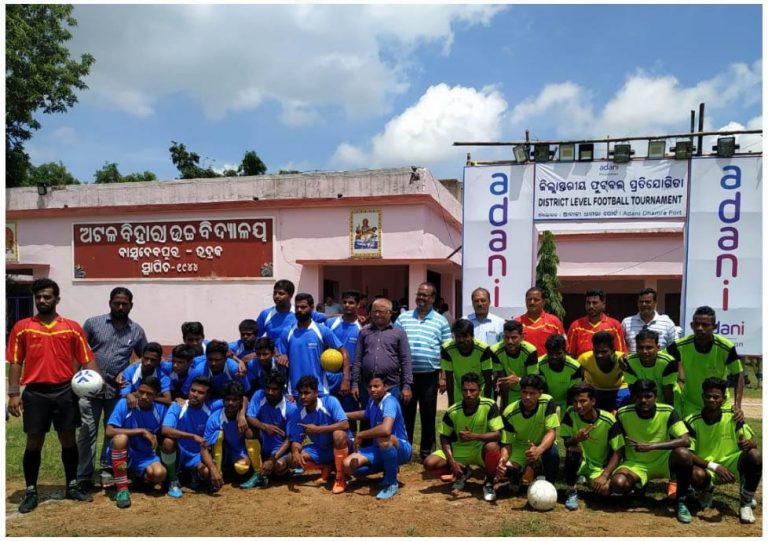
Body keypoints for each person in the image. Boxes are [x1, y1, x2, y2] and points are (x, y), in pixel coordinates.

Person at [7, 278, 99, 513]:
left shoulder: (71, 327)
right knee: (34, 441)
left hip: (65, 390)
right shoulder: (23, 327)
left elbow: (87, 357)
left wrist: (98, 383)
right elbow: (15, 361)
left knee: (68, 438)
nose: (42, 300)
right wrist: (14, 393)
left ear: (57, 299)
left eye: (47, 296)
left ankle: (72, 485)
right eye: (38, 297)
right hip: (36, 393)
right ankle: (30, 491)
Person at [77, 286, 147, 490]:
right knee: (87, 431)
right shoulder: (93, 323)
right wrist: (79, 378)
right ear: (110, 303)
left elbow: (146, 357)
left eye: (125, 303)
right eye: (116, 302)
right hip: (91, 389)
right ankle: (84, 476)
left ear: (131, 306)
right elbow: (79, 350)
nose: (120, 306)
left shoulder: (136, 330)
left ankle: (107, 470)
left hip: (118, 391)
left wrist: (127, 370)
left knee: (112, 431)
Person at [609, 379, 694, 524]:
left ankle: (682, 501)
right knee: (618, 483)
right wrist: (605, 474)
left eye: (648, 396)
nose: (643, 400)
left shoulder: (668, 411)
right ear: (633, 397)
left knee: (683, 454)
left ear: (655, 397)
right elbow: (618, 446)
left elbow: (685, 440)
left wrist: (652, 446)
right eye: (638, 396)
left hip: (664, 461)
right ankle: (639, 486)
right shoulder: (623, 413)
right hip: (636, 463)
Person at [685, 377, 760, 523]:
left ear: (724, 398)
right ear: (702, 397)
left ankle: (746, 502)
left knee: (755, 455)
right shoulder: (691, 421)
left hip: (732, 465)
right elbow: (688, 454)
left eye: (716, 397)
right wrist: (715, 467)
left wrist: (749, 444)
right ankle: (706, 490)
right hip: (707, 467)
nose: (711, 400)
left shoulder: (734, 417)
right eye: (708, 396)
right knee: (695, 473)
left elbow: (754, 444)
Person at [423, 372, 503, 502]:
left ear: (480, 390)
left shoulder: (489, 405)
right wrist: (452, 462)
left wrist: (474, 436)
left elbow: (498, 434)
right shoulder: (453, 410)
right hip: (459, 449)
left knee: (492, 446)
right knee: (429, 463)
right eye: (465, 390)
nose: (468, 394)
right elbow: (444, 437)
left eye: (472, 390)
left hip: (480, 449)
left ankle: (488, 482)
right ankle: (464, 471)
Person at [395, 281, 452, 461]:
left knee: (428, 413)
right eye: (419, 294)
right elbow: (394, 342)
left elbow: (446, 349)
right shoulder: (403, 319)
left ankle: (427, 452)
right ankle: (405, 450)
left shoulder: (441, 321)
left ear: (433, 298)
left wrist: (443, 376)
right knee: (406, 414)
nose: (420, 298)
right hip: (407, 376)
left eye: (424, 295)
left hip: (430, 375)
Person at [665, 305, 744, 420]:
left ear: (715, 327)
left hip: (719, 403)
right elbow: (658, 358)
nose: (700, 328)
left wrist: (737, 405)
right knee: (689, 437)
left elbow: (738, 374)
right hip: (691, 405)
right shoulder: (679, 346)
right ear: (692, 326)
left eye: (705, 325)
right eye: (696, 324)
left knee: (742, 435)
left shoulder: (726, 347)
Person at [343, 373, 412, 500]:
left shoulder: (390, 402)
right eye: (370, 387)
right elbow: (366, 414)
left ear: (385, 387)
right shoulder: (372, 400)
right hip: (379, 448)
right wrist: (344, 415)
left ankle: (392, 483)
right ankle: (389, 468)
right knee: (348, 465)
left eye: (376, 386)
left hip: (401, 448)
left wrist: (361, 434)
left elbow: (386, 430)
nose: (373, 389)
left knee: (384, 439)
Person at [105, 376, 168, 509]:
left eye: (149, 394)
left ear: (156, 396)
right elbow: (109, 431)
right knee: (121, 438)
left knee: (159, 474)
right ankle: (122, 490)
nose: (144, 397)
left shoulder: (160, 410)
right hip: (122, 451)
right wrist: (141, 431)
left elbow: (167, 431)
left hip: (144, 455)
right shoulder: (124, 404)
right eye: (141, 392)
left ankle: (137, 477)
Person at [561, 383, 624, 511]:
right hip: (579, 460)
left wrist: (604, 476)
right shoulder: (570, 413)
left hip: (597, 466)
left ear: (593, 401)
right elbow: (566, 443)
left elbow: (619, 450)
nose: (578, 406)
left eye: (583, 401)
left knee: (605, 491)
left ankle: (588, 479)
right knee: (573, 450)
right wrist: (576, 439)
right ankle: (572, 490)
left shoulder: (608, 420)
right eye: (575, 401)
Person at [287, 375, 352, 494]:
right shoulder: (298, 413)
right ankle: (326, 466)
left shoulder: (330, 401)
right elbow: (296, 440)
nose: (303, 397)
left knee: (338, 434)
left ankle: (340, 477)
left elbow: (345, 425)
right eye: (300, 393)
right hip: (321, 449)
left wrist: (319, 430)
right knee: (291, 459)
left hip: (341, 445)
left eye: (307, 393)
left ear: (316, 392)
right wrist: (296, 452)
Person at [160, 376, 223, 498]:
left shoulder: (211, 407)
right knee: (168, 442)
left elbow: (241, 399)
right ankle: (173, 481)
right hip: (179, 452)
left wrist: (241, 415)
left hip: (198, 455)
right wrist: (192, 436)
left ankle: (191, 474)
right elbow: (165, 430)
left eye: (200, 392)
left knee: (207, 472)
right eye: (193, 390)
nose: (195, 394)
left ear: (207, 396)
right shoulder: (178, 406)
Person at [277, 293, 348, 398]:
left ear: (312, 308)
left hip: (319, 391)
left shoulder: (322, 330)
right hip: (294, 393)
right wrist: (280, 355)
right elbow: (279, 356)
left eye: (303, 307)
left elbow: (344, 352)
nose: (299, 310)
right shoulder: (287, 332)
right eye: (297, 307)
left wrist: (345, 379)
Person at [497, 374, 560, 490]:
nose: (527, 397)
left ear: (540, 393)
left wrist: (538, 450)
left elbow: (551, 432)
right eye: (524, 392)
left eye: (532, 393)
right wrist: (503, 459)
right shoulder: (509, 412)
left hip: (543, 443)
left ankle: (550, 486)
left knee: (553, 454)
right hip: (521, 445)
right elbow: (507, 443)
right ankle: (519, 476)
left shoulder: (547, 401)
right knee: (505, 471)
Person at [351, 297, 412, 412]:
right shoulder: (364, 332)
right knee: (367, 420)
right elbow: (358, 359)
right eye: (374, 311)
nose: (377, 315)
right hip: (367, 386)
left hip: (391, 386)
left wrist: (407, 386)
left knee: (389, 420)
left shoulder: (399, 333)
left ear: (390, 313)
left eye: (381, 312)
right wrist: (354, 384)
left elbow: (406, 360)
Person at [200, 381, 261, 492]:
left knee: (241, 467)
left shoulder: (246, 412)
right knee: (219, 435)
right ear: (223, 400)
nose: (230, 403)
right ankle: (218, 474)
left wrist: (242, 415)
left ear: (240, 401)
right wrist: (212, 469)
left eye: (234, 400)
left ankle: (258, 473)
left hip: (238, 451)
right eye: (227, 400)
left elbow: (245, 399)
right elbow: (204, 447)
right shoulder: (214, 419)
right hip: (220, 452)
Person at [243, 371, 298, 488]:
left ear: (282, 390)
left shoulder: (291, 408)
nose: (270, 392)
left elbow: (290, 438)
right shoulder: (259, 395)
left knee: (279, 466)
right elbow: (250, 416)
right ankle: (258, 473)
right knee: (248, 432)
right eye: (267, 388)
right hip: (262, 444)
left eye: (274, 389)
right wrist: (264, 427)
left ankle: (283, 470)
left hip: (278, 450)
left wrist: (273, 460)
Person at [325, 290, 363, 415]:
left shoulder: (362, 327)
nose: (347, 305)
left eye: (351, 303)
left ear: (358, 305)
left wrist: (350, 380)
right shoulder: (331, 323)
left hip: (350, 377)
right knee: (329, 413)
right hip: (330, 375)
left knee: (348, 415)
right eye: (345, 302)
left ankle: (351, 435)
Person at [441, 318, 495, 406]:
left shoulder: (483, 349)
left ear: (472, 335)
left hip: (480, 394)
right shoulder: (447, 349)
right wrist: (451, 404)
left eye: (465, 336)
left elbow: (488, 380)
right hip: (459, 394)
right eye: (458, 336)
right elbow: (449, 380)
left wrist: (487, 403)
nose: (461, 340)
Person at [491, 320, 539, 411]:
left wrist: (519, 380)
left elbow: (533, 379)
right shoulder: (495, 351)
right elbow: (502, 380)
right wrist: (505, 407)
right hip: (509, 392)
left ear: (522, 337)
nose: (510, 341)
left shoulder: (530, 351)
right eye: (506, 337)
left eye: (514, 338)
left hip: (527, 391)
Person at [622, 328, 677, 406]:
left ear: (658, 348)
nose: (644, 351)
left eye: (649, 348)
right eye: (640, 347)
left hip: (669, 402)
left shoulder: (668, 362)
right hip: (644, 402)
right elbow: (634, 393)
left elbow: (668, 395)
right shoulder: (628, 362)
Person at [567, 289, 626, 358]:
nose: (591, 306)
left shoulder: (615, 326)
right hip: (582, 367)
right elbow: (570, 355)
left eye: (595, 303)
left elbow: (621, 354)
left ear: (603, 305)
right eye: (588, 303)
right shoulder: (576, 326)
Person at [578, 331, 629, 412]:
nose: (599, 355)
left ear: (613, 350)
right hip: (595, 389)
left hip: (618, 389)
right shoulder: (584, 359)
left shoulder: (622, 359)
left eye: (604, 352)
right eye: (596, 351)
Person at [621, 288, 679, 353]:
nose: (644, 304)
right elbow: (621, 347)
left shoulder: (667, 323)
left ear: (655, 303)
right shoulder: (627, 322)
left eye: (648, 302)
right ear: (637, 303)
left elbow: (675, 347)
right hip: (633, 362)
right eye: (641, 302)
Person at [536, 334, 583, 415]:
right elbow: (540, 390)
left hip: (567, 404)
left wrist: (568, 413)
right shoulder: (539, 364)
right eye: (551, 353)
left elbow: (574, 392)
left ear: (565, 351)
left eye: (558, 353)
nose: (554, 357)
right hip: (545, 403)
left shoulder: (575, 367)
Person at [514, 286, 565, 356]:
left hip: (547, 365)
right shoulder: (517, 323)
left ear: (543, 302)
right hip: (524, 365)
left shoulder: (554, 322)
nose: (532, 302)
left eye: (536, 300)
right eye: (529, 299)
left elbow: (564, 347)